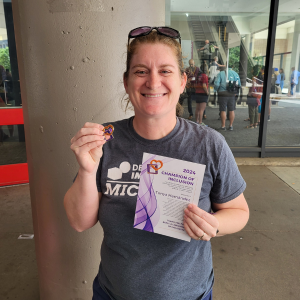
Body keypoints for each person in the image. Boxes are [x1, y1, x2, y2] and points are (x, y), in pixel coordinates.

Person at [64, 27, 249, 300]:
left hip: (190, 294)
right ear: (127, 82)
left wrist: (214, 224)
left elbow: (239, 212)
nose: (153, 82)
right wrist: (87, 169)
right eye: (141, 71)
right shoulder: (105, 139)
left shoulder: (209, 144)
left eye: (165, 71)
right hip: (112, 293)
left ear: (183, 81)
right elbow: (80, 222)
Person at [214, 66, 236, 131]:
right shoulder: (235, 73)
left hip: (222, 94)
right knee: (231, 110)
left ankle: (223, 126)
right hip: (231, 94)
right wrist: (235, 92)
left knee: (223, 110)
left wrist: (216, 90)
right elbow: (239, 84)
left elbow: (216, 84)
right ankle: (231, 126)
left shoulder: (220, 74)